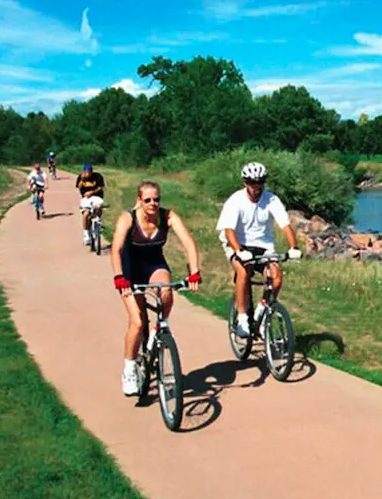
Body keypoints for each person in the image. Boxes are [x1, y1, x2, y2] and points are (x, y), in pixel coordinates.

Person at [110, 180, 202, 396]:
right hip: (129, 271)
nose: (153, 204)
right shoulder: (128, 219)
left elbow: (188, 243)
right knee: (137, 321)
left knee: (166, 290)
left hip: (154, 265)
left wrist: (194, 272)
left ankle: (158, 329)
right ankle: (130, 368)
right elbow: (116, 249)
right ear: (139, 201)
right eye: (148, 200)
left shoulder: (168, 216)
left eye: (156, 199)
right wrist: (119, 277)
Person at [216, 162, 301, 339]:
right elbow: (229, 231)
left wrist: (294, 247)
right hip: (238, 243)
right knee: (243, 271)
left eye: (260, 182)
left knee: (276, 277)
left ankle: (262, 312)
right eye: (252, 183)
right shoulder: (235, 201)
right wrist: (239, 251)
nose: (256, 187)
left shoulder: (271, 199)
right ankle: (241, 319)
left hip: (263, 245)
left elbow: (285, 225)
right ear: (245, 183)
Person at [75, 163, 105, 245]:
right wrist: (82, 179)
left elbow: (100, 187)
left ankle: (98, 222)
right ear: (84, 172)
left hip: (97, 196)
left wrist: (92, 192)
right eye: (86, 172)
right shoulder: (81, 177)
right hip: (85, 198)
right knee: (86, 214)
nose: (88, 174)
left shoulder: (98, 176)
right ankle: (86, 234)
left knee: (99, 206)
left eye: (90, 172)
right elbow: (79, 187)